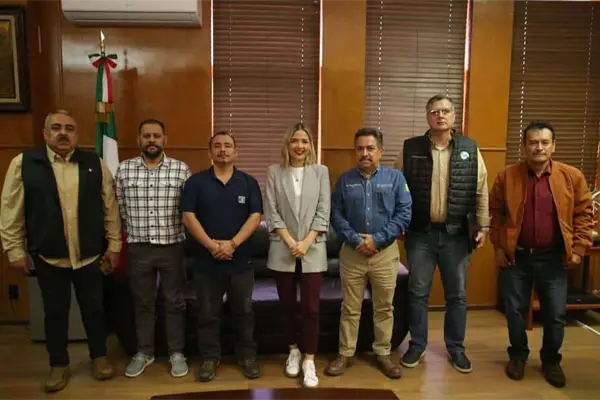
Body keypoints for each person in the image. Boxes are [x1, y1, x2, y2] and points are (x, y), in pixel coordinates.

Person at [0, 110, 121, 392]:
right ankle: (58, 364)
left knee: (95, 309)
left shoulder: (94, 164)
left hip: (89, 255)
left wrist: (114, 245)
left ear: (76, 135)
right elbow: (10, 210)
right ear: (45, 134)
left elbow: (110, 208)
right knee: (55, 313)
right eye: (56, 128)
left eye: (69, 128)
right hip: (49, 256)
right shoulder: (23, 164)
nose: (63, 133)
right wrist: (14, 250)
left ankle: (99, 357)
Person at [489, 121, 593, 388]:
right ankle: (518, 355)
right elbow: (496, 215)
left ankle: (551, 361)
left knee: (555, 314)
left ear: (553, 146)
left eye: (545, 142)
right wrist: (499, 247)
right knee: (514, 311)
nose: (539, 147)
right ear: (524, 146)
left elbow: (584, 214)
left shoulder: (571, 176)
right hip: (516, 258)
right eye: (533, 142)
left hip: (554, 258)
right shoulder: (506, 177)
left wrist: (579, 248)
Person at [397, 94, 489, 373]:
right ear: (428, 116)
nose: (440, 115)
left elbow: (481, 189)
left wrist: (483, 226)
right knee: (417, 292)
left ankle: (456, 348)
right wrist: (399, 222)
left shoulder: (470, 148)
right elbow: (397, 187)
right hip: (420, 234)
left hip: (456, 235)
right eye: (435, 111)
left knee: (457, 295)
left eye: (446, 111)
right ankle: (417, 344)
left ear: (453, 115)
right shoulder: (411, 148)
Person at [326, 128, 412, 379]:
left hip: (384, 254)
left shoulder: (396, 179)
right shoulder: (345, 180)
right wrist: (356, 240)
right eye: (360, 149)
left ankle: (383, 354)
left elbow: (404, 213)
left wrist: (377, 239)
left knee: (384, 308)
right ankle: (345, 354)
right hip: (352, 253)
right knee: (349, 308)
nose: (364, 153)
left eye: (370, 148)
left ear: (381, 151)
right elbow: (336, 215)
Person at [181, 131, 263, 382]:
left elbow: (255, 216)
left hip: (241, 262)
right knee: (208, 314)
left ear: (236, 152)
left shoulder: (248, 182)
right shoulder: (196, 182)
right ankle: (209, 358)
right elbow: (188, 216)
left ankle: (247, 356)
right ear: (210, 152)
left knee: (244, 313)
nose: (223, 150)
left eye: (228, 146)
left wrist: (233, 244)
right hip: (206, 263)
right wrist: (211, 246)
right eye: (217, 146)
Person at [115, 119, 192, 378]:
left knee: (175, 303)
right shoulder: (124, 170)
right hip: (139, 248)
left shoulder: (181, 169)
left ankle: (176, 353)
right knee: (143, 303)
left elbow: (188, 210)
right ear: (139, 139)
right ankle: (144, 352)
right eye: (146, 135)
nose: (151, 140)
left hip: (172, 247)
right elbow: (119, 210)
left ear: (164, 139)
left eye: (156, 136)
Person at [264, 123, 330, 388]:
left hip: (313, 247)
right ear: (287, 144)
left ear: (310, 145)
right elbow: (271, 211)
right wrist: (292, 242)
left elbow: (323, 211)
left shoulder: (321, 171)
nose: (299, 146)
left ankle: (309, 360)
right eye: (294, 141)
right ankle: (293, 350)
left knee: (311, 309)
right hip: (283, 247)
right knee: (287, 307)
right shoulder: (274, 172)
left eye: (304, 141)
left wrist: (306, 242)